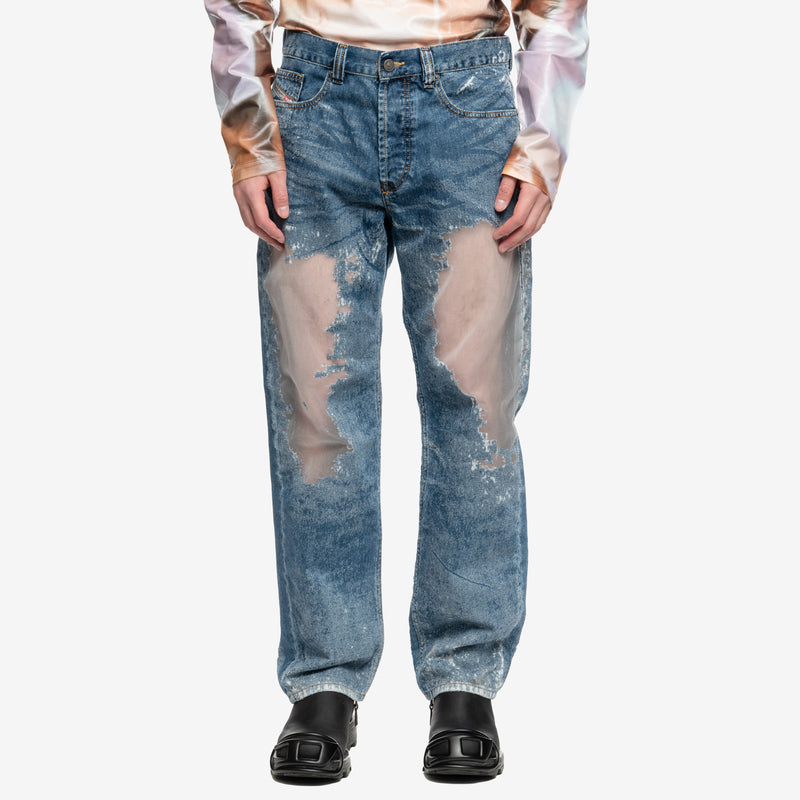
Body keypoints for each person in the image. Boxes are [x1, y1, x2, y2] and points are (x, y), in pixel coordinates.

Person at [203, 0, 589, 782]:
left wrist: (542, 138)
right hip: (312, 108)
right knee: (317, 411)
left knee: (475, 411)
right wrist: (250, 133)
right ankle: (325, 680)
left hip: (467, 105)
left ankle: (463, 680)